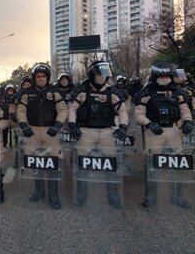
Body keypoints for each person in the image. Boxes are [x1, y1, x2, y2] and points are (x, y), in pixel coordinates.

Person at [68, 61, 128, 209]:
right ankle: (81, 195)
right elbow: (72, 108)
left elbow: (123, 110)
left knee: (110, 163)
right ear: (92, 74)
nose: (102, 77)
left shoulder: (112, 91)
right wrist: (72, 125)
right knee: (83, 163)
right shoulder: (82, 89)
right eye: (99, 74)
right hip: (86, 131)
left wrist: (123, 127)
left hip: (107, 132)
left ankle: (112, 195)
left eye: (104, 74)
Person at [134, 63, 193, 208]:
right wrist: (149, 123)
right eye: (162, 75)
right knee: (151, 164)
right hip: (155, 132)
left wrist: (188, 122)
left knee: (178, 164)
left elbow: (185, 111)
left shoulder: (178, 92)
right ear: (155, 76)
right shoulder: (146, 92)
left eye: (168, 75)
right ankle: (150, 196)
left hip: (174, 131)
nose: (165, 78)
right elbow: (138, 115)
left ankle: (177, 196)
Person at [17, 63, 68, 209]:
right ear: (34, 78)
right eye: (38, 76)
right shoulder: (26, 92)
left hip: (50, 131)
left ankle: (53, 195)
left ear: (47, 77)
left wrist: (58, 124)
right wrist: (23, 124)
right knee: (34, 162)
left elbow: (63, 110)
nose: (41, 79)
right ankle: (39, 191)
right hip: (32, 131)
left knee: (53, 163)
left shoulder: (55, 92)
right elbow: (20, 110)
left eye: (43, 76)